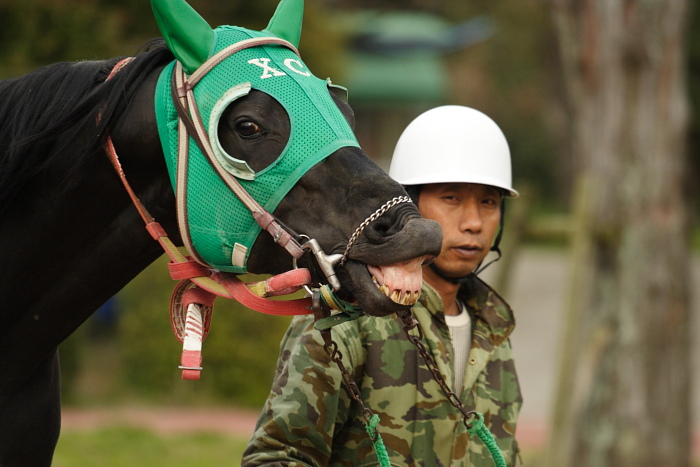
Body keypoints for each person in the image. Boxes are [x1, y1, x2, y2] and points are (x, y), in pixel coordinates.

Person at [242, 105, 522, 466]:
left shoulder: (495, 331)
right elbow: (277, 457)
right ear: (408, 203)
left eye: (489, 202)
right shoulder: (346, 320)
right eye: (452, 198)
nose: (473, 222)